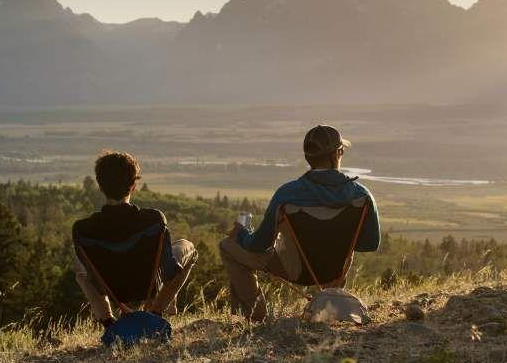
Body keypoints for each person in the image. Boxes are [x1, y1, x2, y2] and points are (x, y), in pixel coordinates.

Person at [220, 124, 380, 321]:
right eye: (342, 150)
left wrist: (241, 233)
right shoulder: (361, 195)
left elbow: (258, 246)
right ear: (338, 153)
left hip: (295, 272)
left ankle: (256, 313)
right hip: (336, 271)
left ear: (308, 158)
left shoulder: (287, 194)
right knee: (346, 250)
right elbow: (370, 244)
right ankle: (330, 304)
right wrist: (336, 238)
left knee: (227, 245)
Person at [73, 151, 197, 325]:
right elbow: (169, 270)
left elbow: (91, 276)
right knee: (187, 246)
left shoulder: (83, 229)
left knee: (78, 265)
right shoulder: (153, 219)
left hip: (112, 290)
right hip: (148, 287)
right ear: (133, 186)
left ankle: (108, 321)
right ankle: (157, 312)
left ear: (100, 186)